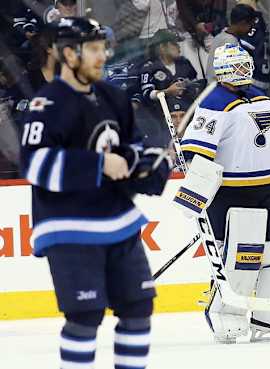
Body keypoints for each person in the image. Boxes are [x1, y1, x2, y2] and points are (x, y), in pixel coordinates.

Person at [20, 17, 172, 368]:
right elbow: (35, 165)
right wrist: (98, 165)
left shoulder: (111, 96)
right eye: (92, 49)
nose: (101, 55)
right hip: (69, 227)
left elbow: (133, 147)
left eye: (102, 47)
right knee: (85, 316)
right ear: (69, 54)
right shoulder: (48, 104)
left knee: (138, 309)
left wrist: (148, 169)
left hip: (118, 221)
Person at [180, 43, 270, 343]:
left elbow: (269, 138)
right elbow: (195, 151)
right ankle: (226, 312)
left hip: (265, 188)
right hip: (230, 193)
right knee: (242, 255)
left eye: (245, 65)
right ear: (222, 69)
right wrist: (196, 190)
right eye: (236, 66)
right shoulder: (213, 102)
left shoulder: (260, 97)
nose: (244, 71)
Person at [206, 4, 257, 82]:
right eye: (250, 25)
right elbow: (235, 76)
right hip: (221, 90)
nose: (251, 30)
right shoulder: (230, 42)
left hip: (214, 88)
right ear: (242, 23)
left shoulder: (220, 36)